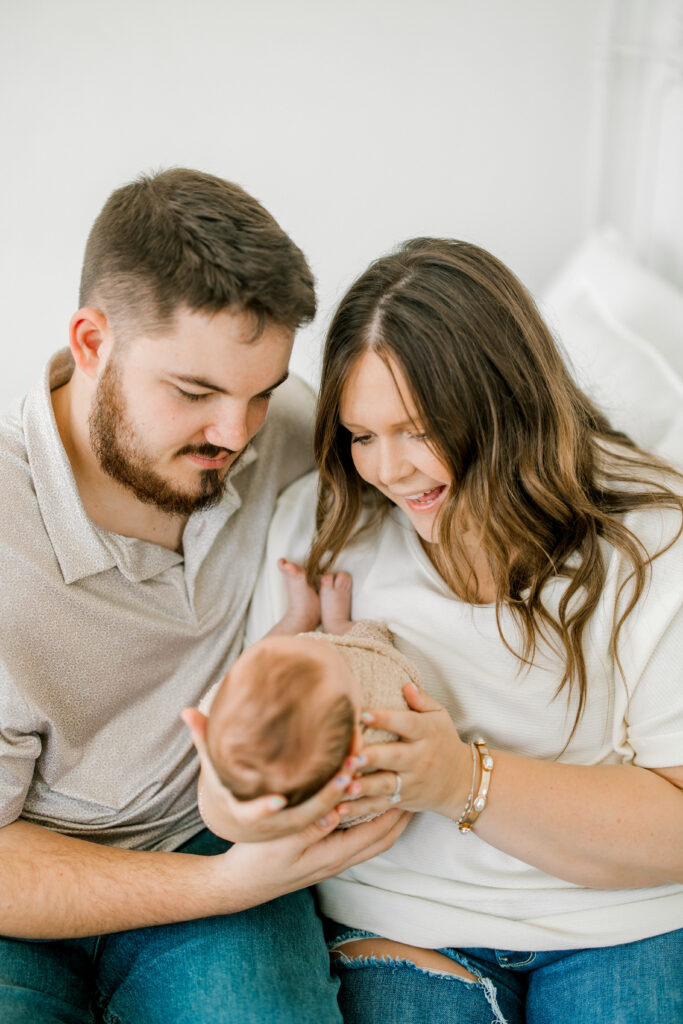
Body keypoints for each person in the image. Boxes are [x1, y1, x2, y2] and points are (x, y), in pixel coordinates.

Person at [0, 168, 407, 1024]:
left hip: (211, 829)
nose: (236, 433)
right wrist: (228, 883)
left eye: (260, 392)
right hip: (34, 880)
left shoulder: (281, 433)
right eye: (194, 394)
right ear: (90, 341)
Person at [246, 238, 683, 1024]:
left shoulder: (651, 539)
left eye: (418, 428)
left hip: (619, 917)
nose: (389, 469)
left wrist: (457, 780)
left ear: (504, 399)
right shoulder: (325, 528)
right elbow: (261, 790)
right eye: (361, 434)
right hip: (402, 917)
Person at [202, 562, 413, 821]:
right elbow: (382, 657)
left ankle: (299, 616)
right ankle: (337, 624)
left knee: (254, 667)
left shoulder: (228, 741)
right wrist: (343, 631)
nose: (312, 640)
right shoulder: (377, 722)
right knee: (365, 642)